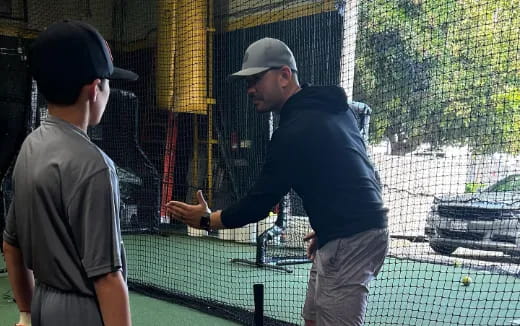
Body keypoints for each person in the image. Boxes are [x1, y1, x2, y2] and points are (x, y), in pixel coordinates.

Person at [166, 37, 389, 326]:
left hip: (353, 236)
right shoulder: (334, 110)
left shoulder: (294, 130)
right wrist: (327, 227)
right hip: (350, 230)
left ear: (284, 76)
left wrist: (209, 220)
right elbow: (358, 171)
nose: (250, 89)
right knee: (312, 318)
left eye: (257, 79)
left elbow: (258, 203)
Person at [2, 20, 138, 326]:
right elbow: (107, 278)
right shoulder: (95, 165)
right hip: (83, 312)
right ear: (94, 89)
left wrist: (26, 312)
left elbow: (11, 244)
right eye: (107, 83)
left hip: (41, 306)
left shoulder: (31, 146)